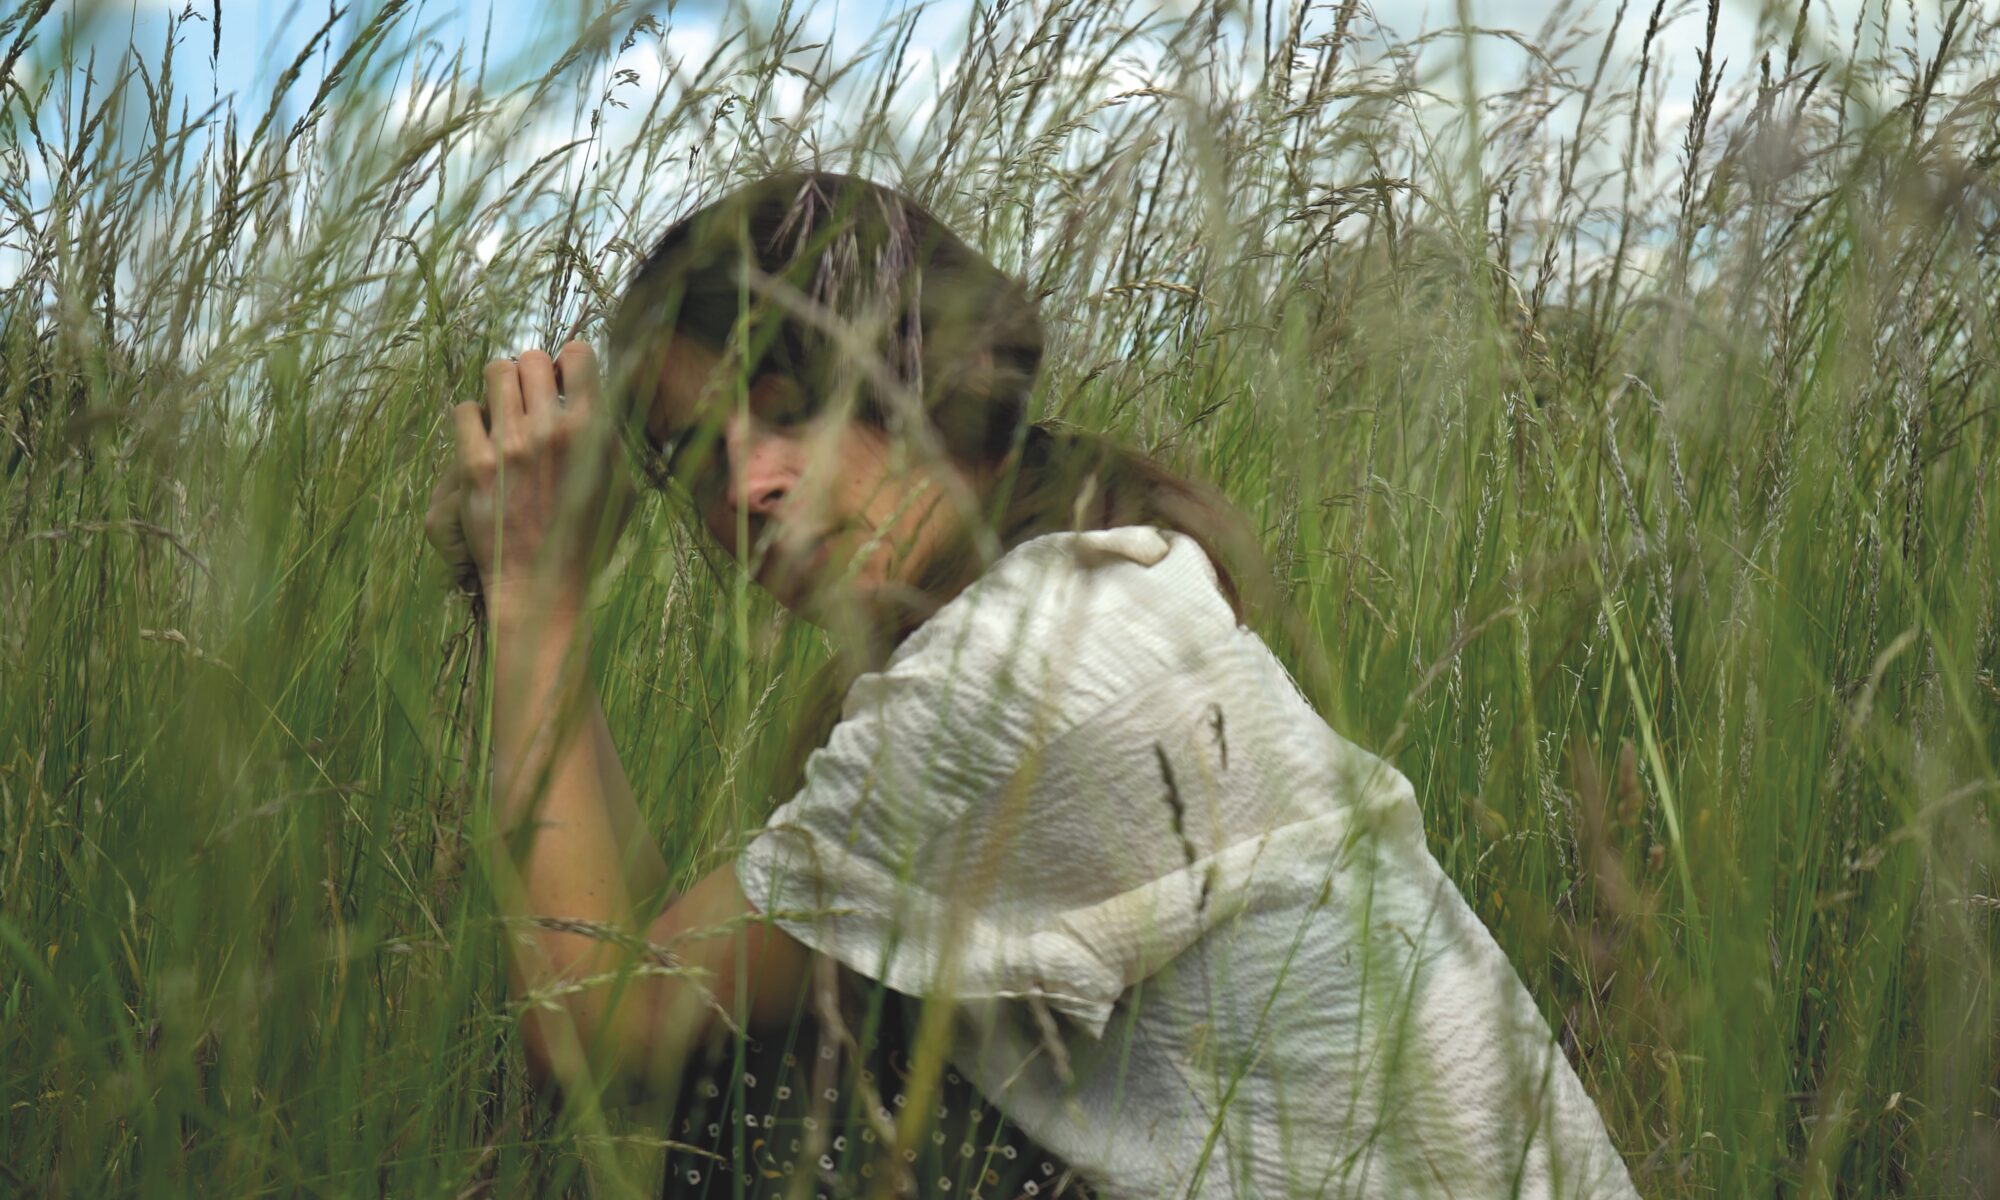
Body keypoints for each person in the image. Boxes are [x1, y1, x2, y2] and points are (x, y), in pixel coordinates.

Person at [423, 171, 1641, 1199]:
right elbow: (646, 966)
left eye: (793, 411)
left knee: (734, 1106)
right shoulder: (1095, 584)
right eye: (698, 456)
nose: (747, 485)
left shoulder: (1028, 662)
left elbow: (594, 1032)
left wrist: (536, 593)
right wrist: (531, 610)